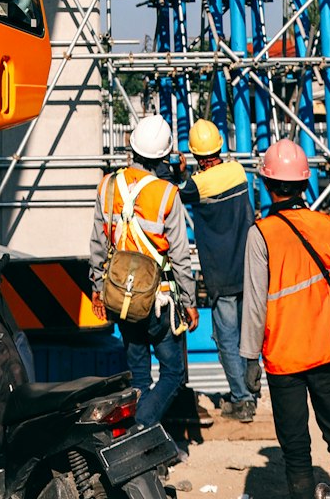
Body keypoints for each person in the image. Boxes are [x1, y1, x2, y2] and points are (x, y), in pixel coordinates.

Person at [240, 139, 330, 499]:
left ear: (266, 184)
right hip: (327, 349)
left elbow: (254, 304)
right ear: (304, 183)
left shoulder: (260, 235)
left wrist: (249, 357)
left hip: (284, 358)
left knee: (296, 451)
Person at [89, 112, 199, 439]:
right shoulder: (167, 194)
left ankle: (136, 434)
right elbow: (179, 255)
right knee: (173, 373)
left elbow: (97, 243)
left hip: (121, 297)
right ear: (164, 156)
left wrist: (97, 289)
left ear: (133, 149)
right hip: (159, 300)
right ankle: (142, 428)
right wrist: (190, 302)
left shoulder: (107, 186)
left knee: (138, 375)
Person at [183, 119, 256, 421]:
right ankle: (250, 383)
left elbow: (178, 191)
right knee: (249, 334)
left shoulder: (196, 185)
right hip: (250, 269)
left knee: (226, 338)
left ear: (198, 155)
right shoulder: (238, 171)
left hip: (221, 275)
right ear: (219, 147)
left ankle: (242, 400)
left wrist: (181, 171)